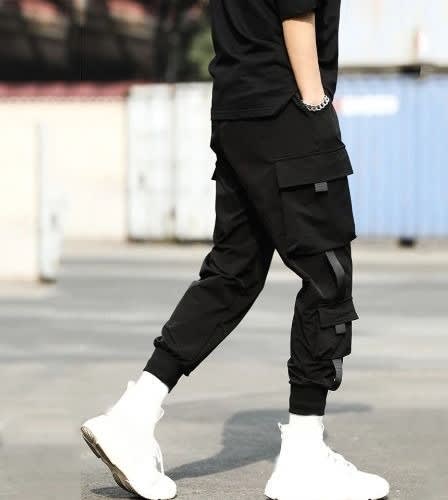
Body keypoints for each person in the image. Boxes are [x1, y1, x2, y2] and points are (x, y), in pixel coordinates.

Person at [81, 1, 390, 499]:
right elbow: (296, 13)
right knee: (328, 276)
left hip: (235, 111)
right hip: (286, 112)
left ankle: (132, 416)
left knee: (233, 273)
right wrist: (316, 106)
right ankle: (305, 455)